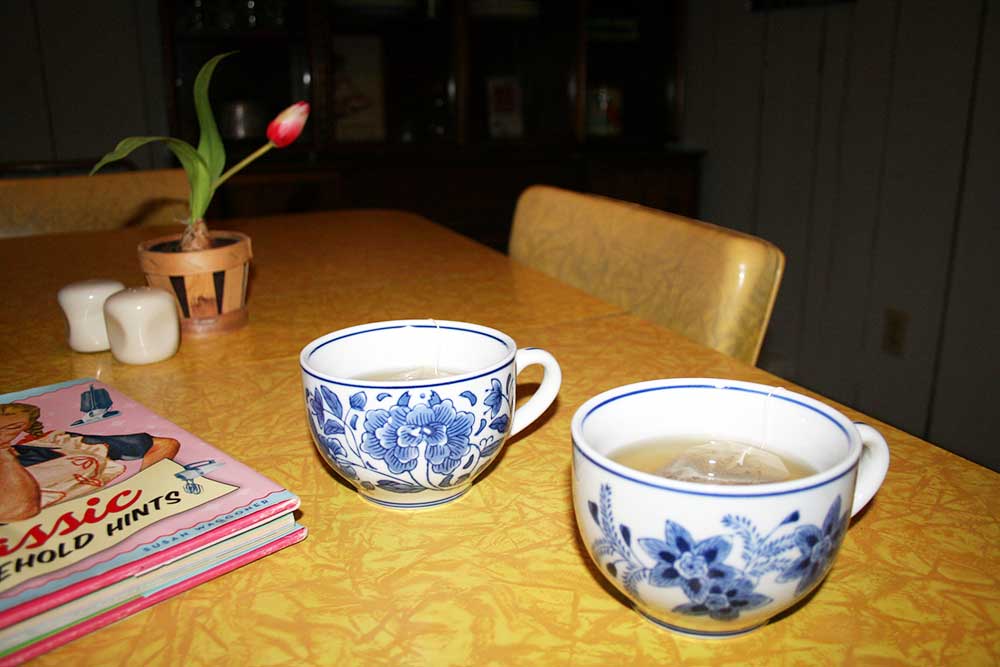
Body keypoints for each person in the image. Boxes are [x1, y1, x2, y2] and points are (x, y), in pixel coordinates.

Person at [0, 402, 180, 522]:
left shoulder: (57, 444)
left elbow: (163, 445)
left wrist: (141, 491)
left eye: (13, 427)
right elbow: (20, 510)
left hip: (112, 519)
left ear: (25, 428)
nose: (2, 432)